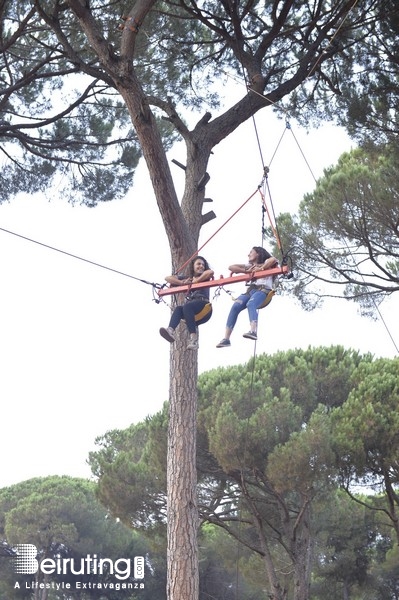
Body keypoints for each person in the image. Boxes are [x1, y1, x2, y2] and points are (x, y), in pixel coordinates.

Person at [216, 246, 278, 348]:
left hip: (263, 290)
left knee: (251, 303)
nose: (248, 254)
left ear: (258, 254)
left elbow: (274, 259)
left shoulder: (267, 262)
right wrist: (247, 271)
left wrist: (261, 268)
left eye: (251, 252)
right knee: (235, 306)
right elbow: (231, 267)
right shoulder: (250, 266)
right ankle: (226, 339)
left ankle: (253, 331)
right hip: (251, 291)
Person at [160, 256, 214, 350]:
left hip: (203, 306)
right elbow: (168, 278)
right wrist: (181, 283)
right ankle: (170, 330)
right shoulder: (188, 278)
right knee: (179, 309)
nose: (201, 266)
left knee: (187, 306)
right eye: (198, 264)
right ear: (193, 266)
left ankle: (193, 339)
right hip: (192, 310)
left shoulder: (204, 276)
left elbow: (210, 272)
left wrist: (196, 281)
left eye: (203, 265)